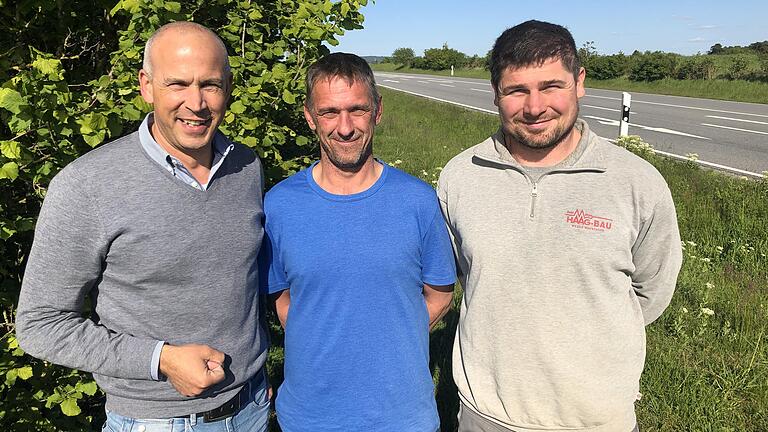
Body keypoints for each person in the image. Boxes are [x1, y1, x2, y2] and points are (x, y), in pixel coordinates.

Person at [16, 21, 270, 431]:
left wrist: (255, 376)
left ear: (228, 87)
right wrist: (161, 359)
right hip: (156, 421)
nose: (196, 102)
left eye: (210, 84)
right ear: (146, 86)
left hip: (252, 406)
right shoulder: (87, 185)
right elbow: (39, 324)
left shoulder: (246, 167)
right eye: (177, 84)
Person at [437, 20, 683, 432]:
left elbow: (651, 291)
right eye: (517, 90)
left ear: (579, 82)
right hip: (486, 415)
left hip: (598, 418)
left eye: (551, 86)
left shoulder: (636, 182)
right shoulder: (461, 175)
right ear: (495, 92)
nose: (535, 107)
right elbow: (461, 275)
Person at [261, 52, 456, 432]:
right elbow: (282, 300)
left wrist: (391, 335)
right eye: (329, 112)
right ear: (309, 116)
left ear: (378, 111)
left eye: (358, 110)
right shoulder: (280, 205)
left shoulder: (418, 200)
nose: (345, 127)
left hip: (401, 417)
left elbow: (441, 295)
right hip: (309, 416)